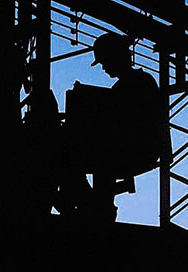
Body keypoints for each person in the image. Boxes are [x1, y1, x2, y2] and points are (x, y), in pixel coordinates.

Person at [59, 33, 161, 221]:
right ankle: (95, 204)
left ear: (117, 57)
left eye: (105, 62)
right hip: (130, 146)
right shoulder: (135, 83)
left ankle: (95, 205)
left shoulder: (136, 84)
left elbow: (124, 120)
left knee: (75, 153)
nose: (104, 68)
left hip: (134, 147)